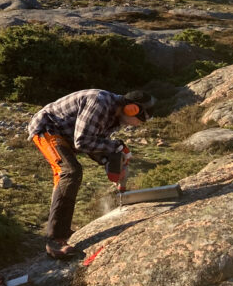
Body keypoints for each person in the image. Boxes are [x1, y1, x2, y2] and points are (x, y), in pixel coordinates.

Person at [27, 89, 154, 259]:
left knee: (65, 177)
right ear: (132, 109)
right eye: (141, 119)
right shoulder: (100, 103)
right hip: (48, 128)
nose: (138, 124)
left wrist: (110, 162)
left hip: (66, 136)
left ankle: (61, 230)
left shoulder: (115, 119)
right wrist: (116, 147)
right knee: (70, 172)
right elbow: (82, 141)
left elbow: (94, 144)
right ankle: (55, 240)